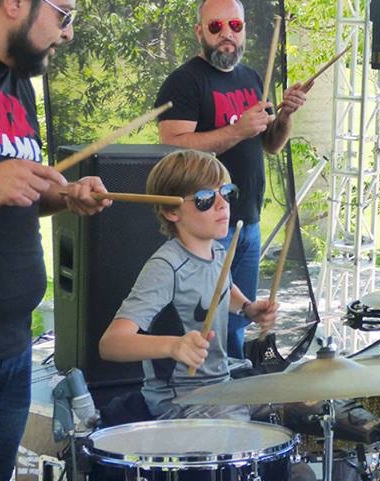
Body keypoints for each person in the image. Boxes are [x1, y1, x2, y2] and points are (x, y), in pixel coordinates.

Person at [0, 0, 110, 481]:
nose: (68, 33)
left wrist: (61, 196)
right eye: (64, 14)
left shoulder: (14, 75)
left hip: (11, 350)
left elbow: (10, 193)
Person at [155, 0, 311, 359]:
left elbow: (271, 144)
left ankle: (234, 382)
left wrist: (285, 116)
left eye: (235, 26)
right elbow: (172, 147)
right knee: (205, 324)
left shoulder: (254, 78)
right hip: (205, 225)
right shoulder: (184, 81)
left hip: (247, 222)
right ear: (200, 31)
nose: (226, 33)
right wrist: (237, 130)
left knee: (240, 318)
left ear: (243, 30)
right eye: (216, 26)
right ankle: (204, 389)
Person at [99, 150, 279, 420]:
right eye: (206, 199)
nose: (222, 205)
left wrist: (248, 308)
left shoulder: (218, 250)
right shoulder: (166, 267)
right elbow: (111, 344)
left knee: (297, 406)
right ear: (171, 211)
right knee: (243, 431)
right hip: (178, 401)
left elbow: (220, 289)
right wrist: (173, 346)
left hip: (221, 386)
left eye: (226, 193)